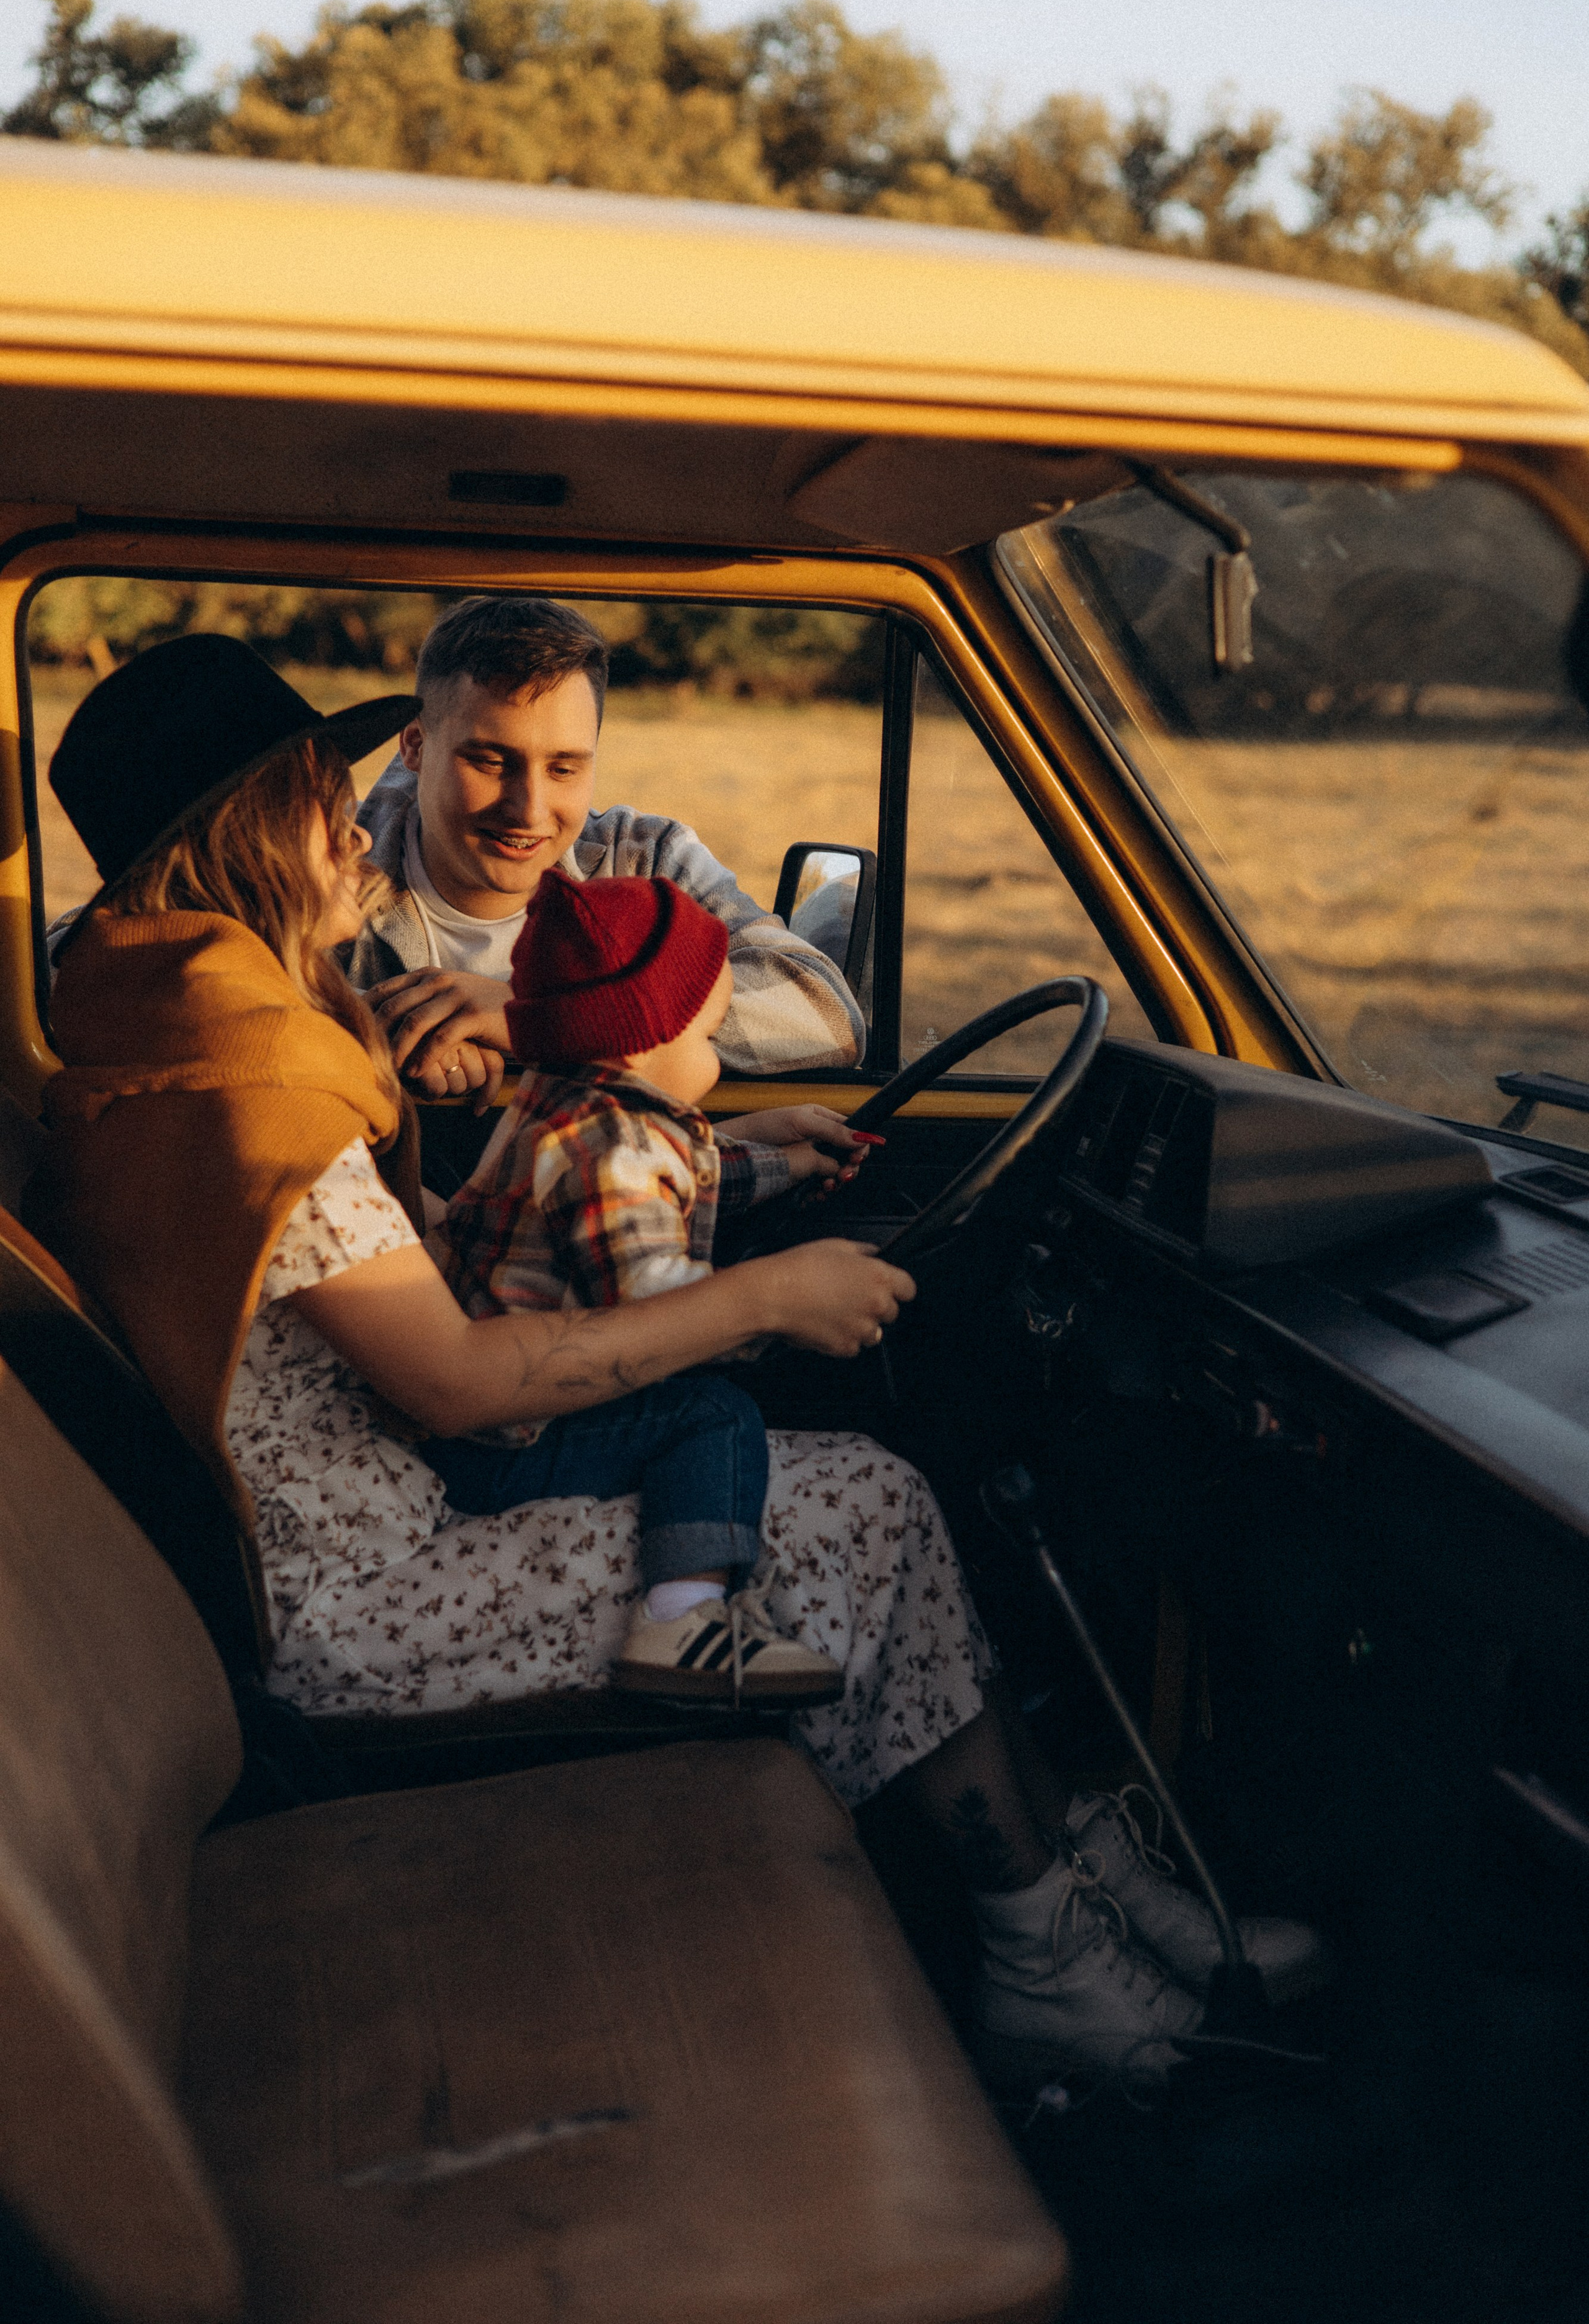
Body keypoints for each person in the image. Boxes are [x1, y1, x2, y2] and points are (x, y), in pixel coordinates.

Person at [37, 633, 1326, 2092]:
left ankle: (1062, 1879)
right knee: (870, 1504)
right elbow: (462, 1378)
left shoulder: (204, 1045)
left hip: (379, 1519)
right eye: (328, 798)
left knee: (864, 1497)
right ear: (257, 829)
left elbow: (433, 1256)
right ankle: (1043, 1946)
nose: (359, 821)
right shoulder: (242, 1091)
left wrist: (715, 1160)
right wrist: (758, 1295)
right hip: (360, 1605)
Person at [426, 867, 860, 1707]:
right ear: (643, 1037)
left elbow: (692, 1172)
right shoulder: (610, 1148)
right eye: (709, 1036)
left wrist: (793, 1161)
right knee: (713, 1414)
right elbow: (657, 1304)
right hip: (510, 1442)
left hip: (503, 1411)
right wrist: (779, 1311)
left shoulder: (576, 1102)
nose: (713, 1056)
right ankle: (684, 1618)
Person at [346, 593, 865, 1103]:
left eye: (564, 769)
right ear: (414, 745)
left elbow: (828, 1017)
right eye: (490, 762)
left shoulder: (645, 858)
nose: (529, 809)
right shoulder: (326, 862)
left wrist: (537, 1020)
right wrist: (371, 1040)